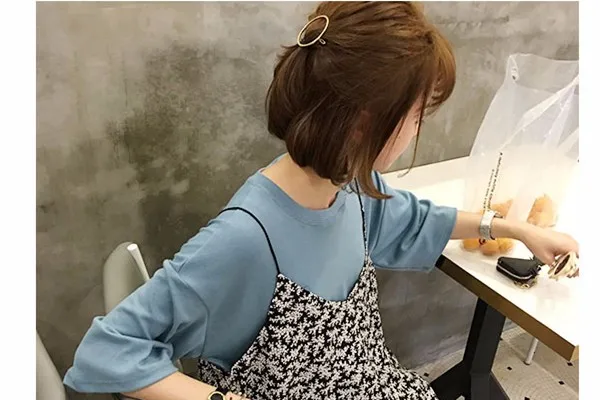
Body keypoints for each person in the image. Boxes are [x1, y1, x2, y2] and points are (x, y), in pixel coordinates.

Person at [64, 2, 579, 400]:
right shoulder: (246, 240)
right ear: (365, 121)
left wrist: (515, 229)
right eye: (418, 116)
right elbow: (108, 349)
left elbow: (414, 219)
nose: (418, 130)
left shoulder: (348, 188)